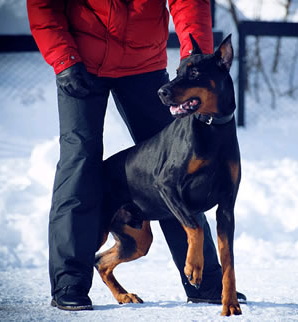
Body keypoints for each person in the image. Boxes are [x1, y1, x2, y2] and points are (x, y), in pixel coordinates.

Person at [27, 0, 242, 310]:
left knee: (177, 162)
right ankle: (70, 281)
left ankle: (206, 280)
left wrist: (195, 62)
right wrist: (64, 59)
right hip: (80, 59)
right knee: (79, 162)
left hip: (144, 63)